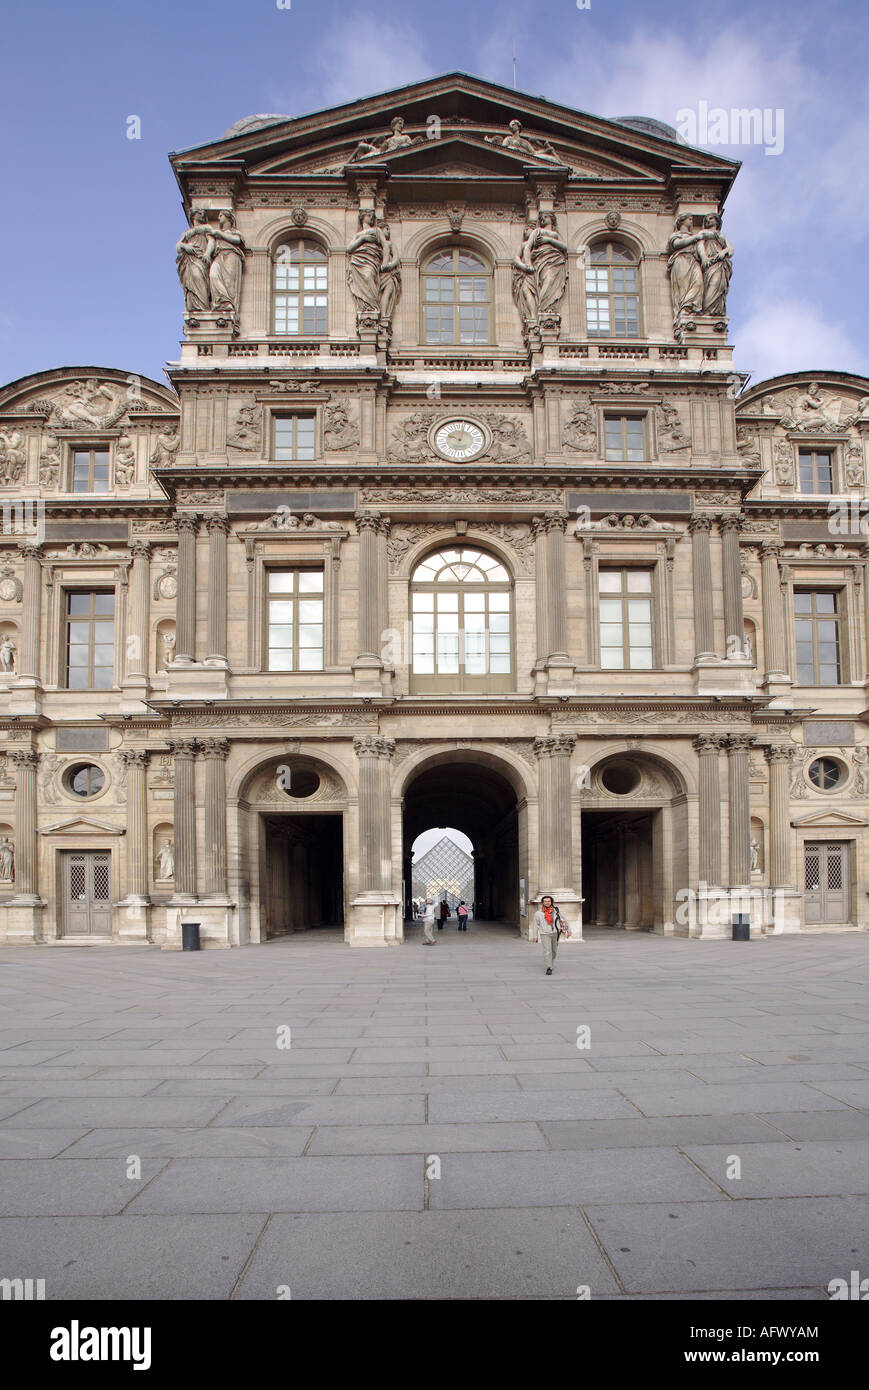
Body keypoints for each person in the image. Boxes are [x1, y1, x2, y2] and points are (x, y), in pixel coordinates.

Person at [532, 894, 570, 974]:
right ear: (542, 902)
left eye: (549, 901)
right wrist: (535, 936)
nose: (547, 902)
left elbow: (564, 920)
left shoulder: (556, 911)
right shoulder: (538, 913)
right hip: (545, 934)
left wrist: (569, 930)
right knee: (547, 951)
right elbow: (535, 925)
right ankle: (549, 967)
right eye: (545, 901)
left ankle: (551, 964)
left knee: (554, 951)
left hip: (556, 933)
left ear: (551, 902)